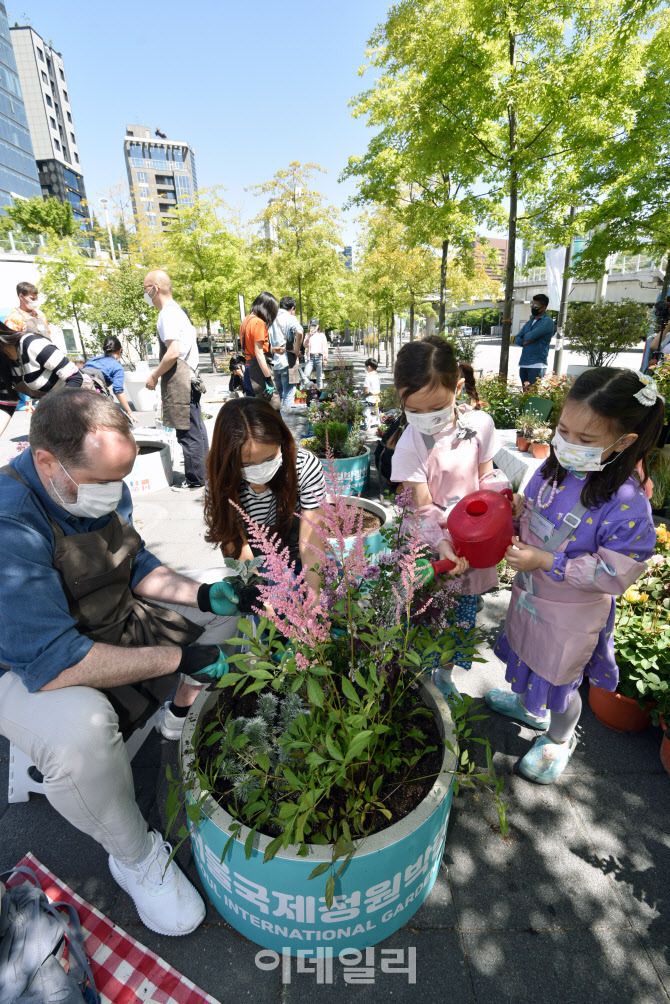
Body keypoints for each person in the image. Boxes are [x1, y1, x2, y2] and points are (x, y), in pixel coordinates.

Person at [0, 390, 247, 935]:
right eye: (104, 482)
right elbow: (53, 661)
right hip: (27, 667)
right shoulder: (10, 522)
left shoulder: (87, 486)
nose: (116, 494)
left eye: (124, 477)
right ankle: (136, 857)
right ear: (46, 462)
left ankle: (172, 718)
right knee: (81, 734)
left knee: (232, 621)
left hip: (108, 617)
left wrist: (203, 596)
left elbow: (135, 562)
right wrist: (180, 656)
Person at [486, 369, 663, 782]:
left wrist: (549, 563)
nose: (567, 445)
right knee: (530, 652)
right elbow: (536, 507)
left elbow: (615, 573)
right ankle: (531, 705)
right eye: (563, 430)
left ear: (625, 442)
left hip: (572, 610)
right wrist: (517, 513)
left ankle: (560, 737)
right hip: (534, 593)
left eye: (585, 441)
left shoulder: (626, 503)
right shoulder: (556, 467)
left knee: (561, 678)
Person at [390, 336, 509, 701]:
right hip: (432, 550)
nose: (427, 420)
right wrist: (441, 545)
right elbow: (421, 508)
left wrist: (504, 501)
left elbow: (487, 474)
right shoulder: (411, 444)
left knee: (460, 616)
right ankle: (420, 679)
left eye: (437, 407)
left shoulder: (481, 426)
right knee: (425, 615)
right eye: (416, 411)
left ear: (458, 388)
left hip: (472, 547)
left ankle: (444, 674)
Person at [204, 397, 328, 597]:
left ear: (282, 440)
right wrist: (260, 596)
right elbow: (237, 546)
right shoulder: (219, 478)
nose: (260, 470)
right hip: (253, 556)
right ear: (228, 458)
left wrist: (313, 600)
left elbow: (311, 546)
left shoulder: (304, 466)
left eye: (269, 458)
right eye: (246, 464)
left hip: (296, 550)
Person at [143, 270, 209, 490]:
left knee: (187, 432)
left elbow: (173, 352)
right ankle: (204, 474)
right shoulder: (177, 312)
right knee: (196, 429)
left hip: (181, 379)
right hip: (189, 377)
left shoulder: (168, 314)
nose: (145, 294)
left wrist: (154, 375)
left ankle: (196, 479)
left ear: (155, 288)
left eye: (145, 289)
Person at [0, 319, 86, 438]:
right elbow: (7, 403)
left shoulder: (31, 344)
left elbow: (75, 377)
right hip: (51, 410)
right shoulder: (4, 363)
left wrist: (57, 412)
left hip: (78, 403)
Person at [83, 335, 137, 425]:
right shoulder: (117, 367)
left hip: (76, 393)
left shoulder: (92, 360)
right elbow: (118, 391)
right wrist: (129, 412)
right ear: (120, 350)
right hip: (94, 396)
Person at [240, 291, 280, 410]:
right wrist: (268, 379)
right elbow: (259, 353)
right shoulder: (258, 323)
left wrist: (272, 349)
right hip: (258, 374)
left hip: (248, 371)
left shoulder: (246, 321)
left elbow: (250, 347)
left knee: (253, 414)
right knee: (270, 413)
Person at [514, 294, 554, 387]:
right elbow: (517, 339)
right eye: (532, 304)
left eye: (536, 306)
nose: (533, 307)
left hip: (537, 364)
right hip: (523, 363)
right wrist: (527, 339)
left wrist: (528, 337)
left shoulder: (547, 321)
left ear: (543, 307)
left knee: (532, 394)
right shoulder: (530, 321)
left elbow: (529, 336)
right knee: (525, 394)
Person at [273, 295, 304, 411]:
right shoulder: (290, 317)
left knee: (277, 395)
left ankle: (277, 422)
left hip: (273, 361)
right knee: (289, 393)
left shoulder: (271, 317)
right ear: (292, 308)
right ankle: (286, 423)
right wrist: (297, 349)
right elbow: (300, 332)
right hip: (288, 360)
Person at [304, 318, 328, 390]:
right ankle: (306, 391)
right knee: (305, 375)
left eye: (315, 325)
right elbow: (305, 345)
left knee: (319, 377)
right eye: (312, 325)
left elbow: (325, 347)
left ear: (318, 326)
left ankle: (320, 393)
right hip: (310, 357)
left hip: (319, 357)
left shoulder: (321, 335)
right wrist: (309, 336)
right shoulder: (307, 335)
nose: (313, 327)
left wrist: (325, 359)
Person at [363, 358, 381, 429]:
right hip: (377, 399)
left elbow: (367, 391)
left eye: (365, 366)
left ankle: (368, 418)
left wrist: (363, 394)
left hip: (370, 400)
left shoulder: (368, 376)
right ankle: (377, 421)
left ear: (369, 367)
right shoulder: (377, 375)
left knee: (361, 406)